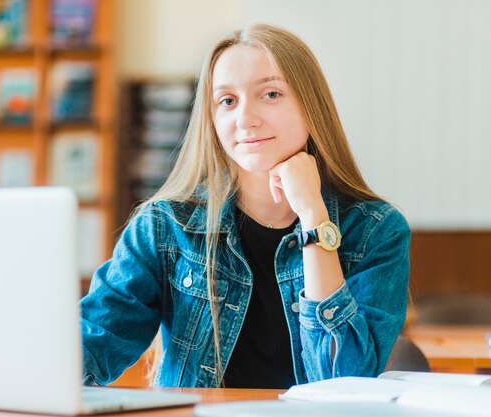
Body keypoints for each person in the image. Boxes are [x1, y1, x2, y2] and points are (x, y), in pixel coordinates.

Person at [81, 23, 410, 389]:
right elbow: (94, 340)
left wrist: (314, 218)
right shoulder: (164, 227)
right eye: (227, 101)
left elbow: (344, 385)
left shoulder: (377, 231)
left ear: (311, 105)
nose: (245, 119)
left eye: (270, 94)